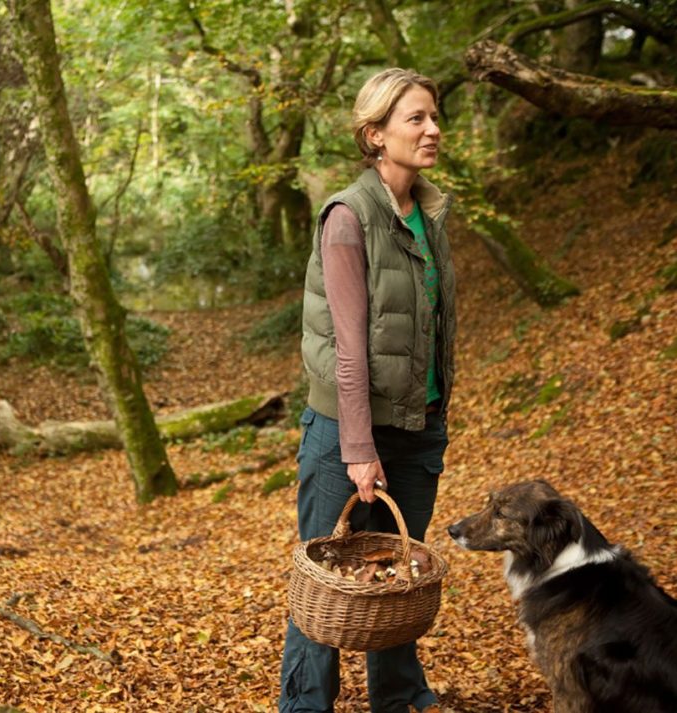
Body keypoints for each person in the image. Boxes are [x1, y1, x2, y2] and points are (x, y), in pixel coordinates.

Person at [279, 68, 455, 713]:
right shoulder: (348, 217)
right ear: (374, 134)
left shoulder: (427, 214)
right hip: (344, 435)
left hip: (417, 425)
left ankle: (402, 699)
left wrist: (436, 412)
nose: (433, 129)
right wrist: (357, 448)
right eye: (416, 119)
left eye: (435, 116)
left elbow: (432, 329)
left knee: (399, 578)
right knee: (324, 595)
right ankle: (304, 707)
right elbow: (348, 348)